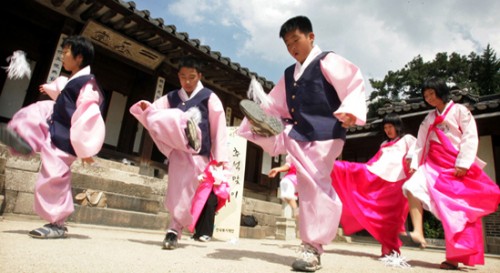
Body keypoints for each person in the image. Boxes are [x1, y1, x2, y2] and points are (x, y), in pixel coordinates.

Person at [238, 15, 367, 272]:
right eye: (287, 44)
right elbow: (274, 104)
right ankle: (312, 245)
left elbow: (353, 84)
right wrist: (257, 119)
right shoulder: (289, 74)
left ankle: (313, 246)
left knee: (315, 185)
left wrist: (351, 110)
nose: (292, 47)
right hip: (298, 134)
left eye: (295, 40)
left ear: (311, 37)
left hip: (326, 134)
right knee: (309, 185)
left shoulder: (328, 61)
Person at [0, 35, 106, 238]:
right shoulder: (73, 81)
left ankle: (56, 224)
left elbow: (88, 115)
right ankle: (24, 140)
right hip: (56, 130)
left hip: (67, 139)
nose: (63, 56)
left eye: (66, 52)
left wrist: (85, 148)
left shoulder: (88, 85)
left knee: (53, 178)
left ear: (79, 57)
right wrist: (49, 88)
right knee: (38, 110)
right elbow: (60, 88)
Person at [130, 56, 230, 249]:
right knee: (175, 190)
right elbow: (155, 112)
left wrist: (219, 158)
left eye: (192, 77)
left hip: (199, 153)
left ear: (199, 76)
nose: (187, 81)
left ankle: (176, 228)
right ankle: (174, 227)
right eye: (183, 76)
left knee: (187, 191)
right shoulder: (172, 97)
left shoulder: (209, 97)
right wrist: (146, 108)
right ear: (178, 76)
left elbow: (219, 127)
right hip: (178, 151)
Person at [402, 77, 500, 270]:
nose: (429, 98)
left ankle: (454, 258)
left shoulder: (460, 111)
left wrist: (463, 163)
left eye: (431, 93)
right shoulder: (429, 118)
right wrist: (415, 162)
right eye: (425, 95)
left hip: (454, 166)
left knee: (454, 213)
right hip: (432, 165)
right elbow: (420, 142)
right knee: (410, 187)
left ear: (441, 91)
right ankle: (418, 231)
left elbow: (469, 136)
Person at [331, 113, 415, 257]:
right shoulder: (383, 144)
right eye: (385, 127)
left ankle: (391, 249)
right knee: (347, 170)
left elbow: (415, 154)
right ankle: (329, 165)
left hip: (397, 181)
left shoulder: (408, 139)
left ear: (397, 127)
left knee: (392, 217)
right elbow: (375, 162)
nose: (388, 130)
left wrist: (412, 163)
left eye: (390, 127)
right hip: (379, 177)